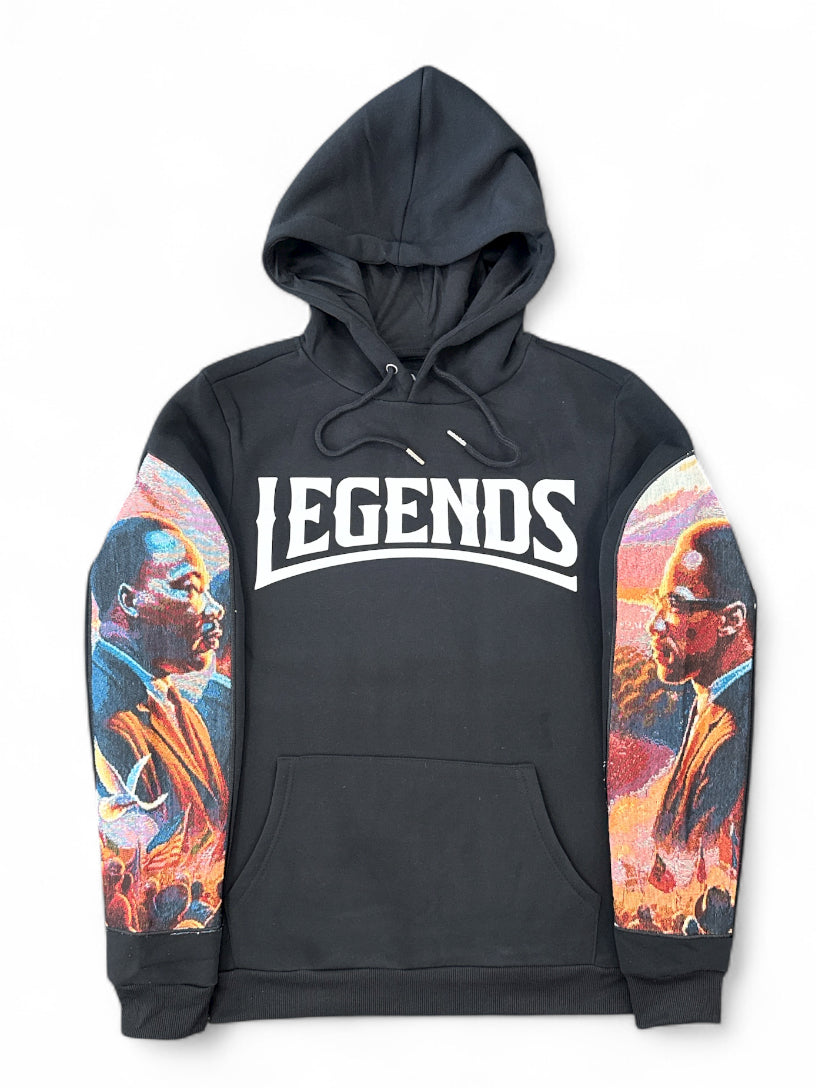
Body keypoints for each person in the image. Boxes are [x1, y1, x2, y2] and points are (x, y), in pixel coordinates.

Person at [90, 515, 229, 851]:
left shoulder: (178, 706)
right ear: (129, 601)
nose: (215, 609)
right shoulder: (107, 717)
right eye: (188, 588)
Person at [647, 518, 754, 858]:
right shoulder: (712, 702)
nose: (655, 624)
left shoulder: (733, 733)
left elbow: (697, 864)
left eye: (676, 605)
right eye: (659, 602)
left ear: (731, 621)